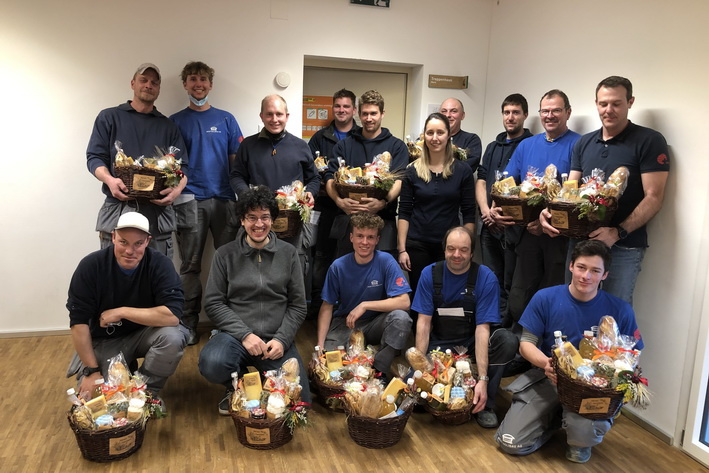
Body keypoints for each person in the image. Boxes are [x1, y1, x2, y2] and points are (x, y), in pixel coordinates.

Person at [495, 240, 644, 464]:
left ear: (605, 275)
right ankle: (556, 418)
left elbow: (634, 355)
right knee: (511, 443)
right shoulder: (545, 298)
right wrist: (546, 363)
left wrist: (619, 381)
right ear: (571, 266)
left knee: (578, 451)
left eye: (595, 271)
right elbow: (526, 343)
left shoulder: (621, 310)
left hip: (592, 389)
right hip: (550, 378)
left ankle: (578, 432)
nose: (586, 276)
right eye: (581, 267)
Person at [540, 76, 670, 305]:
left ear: (630, 102)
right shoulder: (584, 143)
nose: (608, 110)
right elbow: (569, 194)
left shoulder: (649, 140)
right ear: (596, 104)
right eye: (603, 104)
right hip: (581, 242)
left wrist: (617, 232)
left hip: (623, 246)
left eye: (616, 103)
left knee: (613, 310)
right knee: (572, 305)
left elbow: (654, 197)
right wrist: (551, 213)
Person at [198, 186, 311, 415]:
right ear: (242, 220)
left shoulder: (289, 253)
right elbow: (213, 303)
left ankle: (260, 383)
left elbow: (298, 305)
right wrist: (245, 335)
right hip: (236, 337)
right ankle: (238, 387)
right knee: (212, 363)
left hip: (275, 340)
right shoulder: (224, 254)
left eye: (265, 217)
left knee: (301, 404)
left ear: (272, 219)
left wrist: (282, 339)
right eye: (252, 217)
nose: (259, 224)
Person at [66, 212, 189, 403]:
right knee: (100, 401)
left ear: (147, 241)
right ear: (113, 237)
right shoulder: (90, 266)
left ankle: (145, 393)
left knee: (173, 336)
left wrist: (121, 312)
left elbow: (172, 316)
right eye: (123, 242)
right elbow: (78, 324)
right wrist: (92, 370)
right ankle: (120, 374)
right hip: (105, 340)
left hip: (145, 334)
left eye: (138, 243)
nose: (130, 251)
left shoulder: (160, 264)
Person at [412, 227, 518, 428]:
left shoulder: (485, 277)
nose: (457, 255)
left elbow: (482, 329)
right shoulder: (429, 274)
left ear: (472, 253)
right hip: (440, 347)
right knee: (418, 397)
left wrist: (483, 379)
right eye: (451, 249)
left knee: (507, 340)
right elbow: (423, 323)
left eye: (463, 250)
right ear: (444, 249)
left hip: (472, 343)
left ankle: (485, 402)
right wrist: (420, 368)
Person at [170, 61, 244, 346]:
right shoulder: (175, 121)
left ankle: (227, 325)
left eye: (203, 79)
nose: (198, 84)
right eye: (192, 79)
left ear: (210, 84)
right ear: (185, 85)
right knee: (190, 266)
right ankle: (188, 323)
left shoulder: (226, 120)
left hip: (225, 201)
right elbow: (171, 165)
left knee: (229, 264)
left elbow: (237, 163)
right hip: (189, 201)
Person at [493, 90, 581, 327]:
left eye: (556, 110)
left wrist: (547, 223)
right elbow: (508, 186)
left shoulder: (579, 144)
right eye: (545, 111)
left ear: (568, 112)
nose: (549, 115)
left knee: (553, 294)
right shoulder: (526, 145)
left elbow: (579, 196)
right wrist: (496, 207)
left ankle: (545, 344)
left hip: (559, 236)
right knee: (519, 294)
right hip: (527, 234)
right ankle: (519, 340)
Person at [86, 63, 188, 257]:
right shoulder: (109, 117)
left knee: (157, 273)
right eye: (143, 80)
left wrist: (176, 191)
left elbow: (184, 167)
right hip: (118, 208)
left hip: (157, 214)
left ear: (158, 89)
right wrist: (110, 181)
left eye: (154, 82)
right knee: (114, 271)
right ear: (133, 83)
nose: (148, 85)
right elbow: (94, 158)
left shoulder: (168, 126)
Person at [230, 94, 319, 270]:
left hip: (292, 223)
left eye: (279, 114)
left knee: (292, 271)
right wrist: (248, 196)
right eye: (269, 114)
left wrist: (310, 192)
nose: (274, 119)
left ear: (287, 116)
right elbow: (236, 176)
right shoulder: (248, 145)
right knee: (256, 270)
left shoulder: (301, 146)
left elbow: (314, 178)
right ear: (261, 116)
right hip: (258, 222)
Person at [317, 213, 411, 378]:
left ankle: (380, 370)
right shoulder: (337, 266)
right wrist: (319, 345)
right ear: (351, 238)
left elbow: (404, 302)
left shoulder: (386, 261)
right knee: (331, 368)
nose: (365, 242)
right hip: (346, 323)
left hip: (376, 323)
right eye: (360, 236)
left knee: (401, 318)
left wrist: (365, 305)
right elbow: (327, 307)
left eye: (370, 237)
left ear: (377, 240)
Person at [397, 112, 476, 296]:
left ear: (448, 135)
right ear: (424, 136)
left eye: (440, 132)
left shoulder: (462, 170)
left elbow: (469, 213)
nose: (435, 138)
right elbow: (404, 212)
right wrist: (402, 249)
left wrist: (468, 249)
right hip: (417, 245)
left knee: (446, 296)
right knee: (420, 295)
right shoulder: (412, 171)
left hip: (450, 247)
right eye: (430, 133)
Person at [326, 90, 408, 257]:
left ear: (382, 114)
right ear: (359, 114)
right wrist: (339, 201)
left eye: (373, 113)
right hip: (348, 224)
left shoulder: (397, 146)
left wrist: (383, 202)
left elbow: (399, 181)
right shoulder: (344, 145)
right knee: (346, 271)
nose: (369, 118)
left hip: (383, 224)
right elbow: (330, 178)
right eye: (365, 114)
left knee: (381, 272)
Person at [476, 94, 533, 324]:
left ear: (525, 115)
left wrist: (500, 213)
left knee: (512, 284)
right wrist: (486, 212)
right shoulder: (492, 146)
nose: (510, 117)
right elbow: (481, 181)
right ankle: (492, 326)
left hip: (513, 228)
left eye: (516, 112)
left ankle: (508, 329)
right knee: (491, 280)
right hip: (489, 225)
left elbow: (531, 188)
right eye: (507, 112)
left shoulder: (530, 145)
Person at [308, 89, 359, 318]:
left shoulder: (361, 136)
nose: (341, 110)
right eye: (337, 106)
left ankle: (346, 307)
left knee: (351, 257)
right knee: (321, 257)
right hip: (325, 207)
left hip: (355, 209)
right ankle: (318, 307)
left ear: (354, 110)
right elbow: (308, 170)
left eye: (346, 106)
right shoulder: (319, 138)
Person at [439, 98, 482, 171]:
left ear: (462, 115)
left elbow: (467, 169)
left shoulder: (471, 140)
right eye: (444, 111)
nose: (448, 115)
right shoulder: (427, 139)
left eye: (454, 111)